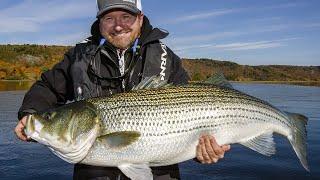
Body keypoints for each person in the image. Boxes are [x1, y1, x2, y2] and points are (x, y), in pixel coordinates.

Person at [14, 0, 230, 179]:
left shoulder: (166, 57)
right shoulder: (79, 56)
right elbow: (47, 87)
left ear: (140, 18)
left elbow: (193, 116)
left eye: (126, 17)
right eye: (109, 18)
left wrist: (202, 153)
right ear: (100, 22)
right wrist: (31, 113)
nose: (118, 26)